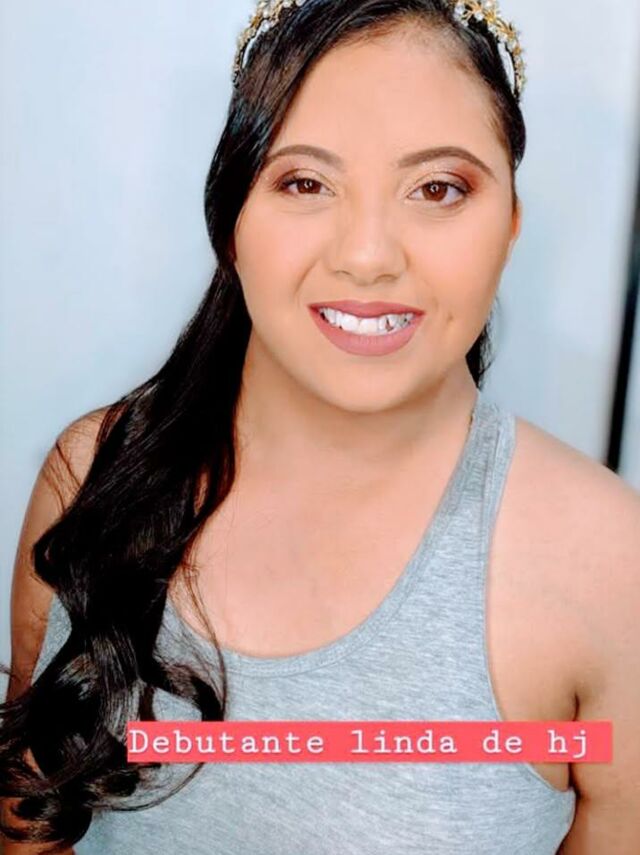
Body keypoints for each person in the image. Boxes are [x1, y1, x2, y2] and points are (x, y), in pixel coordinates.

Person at [1, 0, 639, 852]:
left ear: (511, 225)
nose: (367, 255)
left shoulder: (610, 568)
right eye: (305, 182)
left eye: (438, 188)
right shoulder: (94, 473)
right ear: (232, 219)